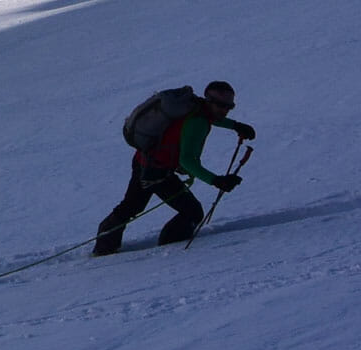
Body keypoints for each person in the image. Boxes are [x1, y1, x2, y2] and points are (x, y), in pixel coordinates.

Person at [93, 80, 255, 255]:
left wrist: (235, 125)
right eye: (221, 105)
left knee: (132, 206)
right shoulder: (198, 122)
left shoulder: (195, 107)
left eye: (229, 107)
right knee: (192, 212)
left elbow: (212, 118)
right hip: (158, 171)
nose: (225, 110)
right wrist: (216, 180)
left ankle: (104, 247)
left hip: (144, 160)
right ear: (208, 101)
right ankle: (171, 248)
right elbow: (187, 161)